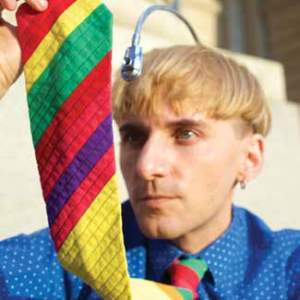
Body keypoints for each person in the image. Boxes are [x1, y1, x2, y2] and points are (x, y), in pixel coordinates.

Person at [0, 1, 300, 299]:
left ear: (250, 158)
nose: (146, 165)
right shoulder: (66, 267)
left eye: (185, 134)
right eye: (133, 136)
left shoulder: (288, 271)